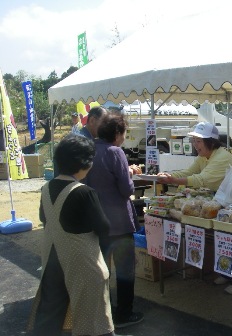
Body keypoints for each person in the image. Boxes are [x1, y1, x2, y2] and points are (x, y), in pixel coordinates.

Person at [30, 133, 117, 336]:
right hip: (83, 262)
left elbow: (45, 218)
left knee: (52, 314)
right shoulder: (84, 192)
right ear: (83, 162)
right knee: (94, 318)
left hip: (53, 258)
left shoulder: (45, 188)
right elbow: (103, 227)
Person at [157, 122, 232, 295]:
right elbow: (189, 172)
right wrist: (168, 175)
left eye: (199, 141)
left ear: (211, 141)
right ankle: (228, 271)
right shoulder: (204, 156)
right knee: (225, 237)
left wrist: (173, 181)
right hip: (224, 199)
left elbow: (201, 179)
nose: (195, 145)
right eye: (194, 141)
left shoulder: (221, 157)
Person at [85, 113, 144, 329]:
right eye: (124, 133)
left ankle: (100, 312)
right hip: (118, 222)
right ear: (117, 133)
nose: (124, 138)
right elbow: (126, 189)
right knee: (125, 270)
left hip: (95, 220)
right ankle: (124, 314)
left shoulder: (89, 149)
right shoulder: (115, 152)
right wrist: (129, 175)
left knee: (99, 269)